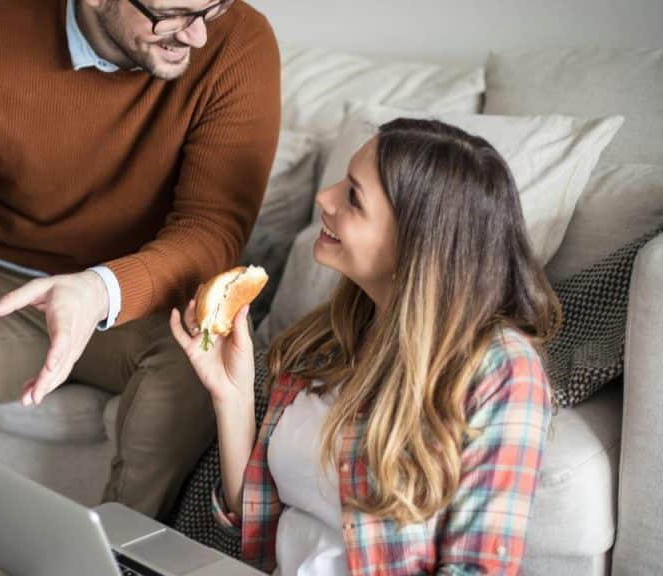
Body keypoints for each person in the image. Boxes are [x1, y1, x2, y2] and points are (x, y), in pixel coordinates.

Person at [0, 0, 280, 573]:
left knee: (199, 368)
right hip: (3, 284)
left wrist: (100, 289)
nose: (195, 33)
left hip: (143, 299)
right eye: (174, 12)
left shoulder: (237, 40)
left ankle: (108, 569)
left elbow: (212, 227)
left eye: (210, 7)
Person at [171, 118, 561, 575]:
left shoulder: (502, 372)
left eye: (353, 198)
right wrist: (231, 396)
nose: (325, 198)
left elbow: (477, 569)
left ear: (417, 244)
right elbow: (263, 521)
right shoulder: (328, 339)